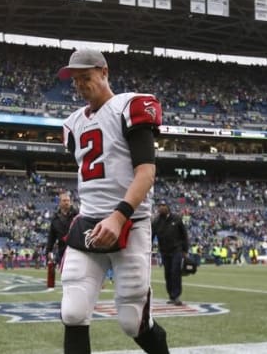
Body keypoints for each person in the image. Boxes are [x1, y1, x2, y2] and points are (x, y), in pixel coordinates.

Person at [58, 49, 168, 354]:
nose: (80, 85)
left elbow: (146, 173)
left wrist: (118, 216)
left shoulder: (129, 107)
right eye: (76, 80)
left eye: (86, 77)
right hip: (90, 223)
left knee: (133, 321)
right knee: (73, 311)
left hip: (129, 222)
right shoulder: (73, 124)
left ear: (104, 71)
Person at [151, 200, 189, 306]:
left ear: (168, 207)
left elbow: (184, 235)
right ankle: (171, 296)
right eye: (159, 206)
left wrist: (185, 250)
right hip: (164, 251)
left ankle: (176, 296)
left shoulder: (176, 219)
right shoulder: (156, 221)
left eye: (163, 205)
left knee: (175, 272)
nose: (161, 207)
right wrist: (148, 248)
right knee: (167, 273)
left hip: (177, 250)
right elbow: (151, 236)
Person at [47, 191, 78, 267]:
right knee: (64, 275)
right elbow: (51, 237)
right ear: (59, 202)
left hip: (76, 249)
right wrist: (49, 251)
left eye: (68, 200)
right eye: (64, 201)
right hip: (62, 251)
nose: (67, 202)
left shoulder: (77, 215)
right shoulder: (55, 219)